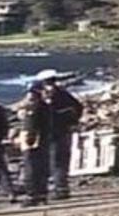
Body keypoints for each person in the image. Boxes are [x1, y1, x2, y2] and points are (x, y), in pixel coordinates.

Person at [37, 70, 83, 200]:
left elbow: (77, 108)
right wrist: (73, 122)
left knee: (56, 162)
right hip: (57, 132)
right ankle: (58, 188)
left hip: (54, 133)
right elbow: (78, 107)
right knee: (58, 162)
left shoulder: (54, 96)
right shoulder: (64, 95)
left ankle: (59, 189)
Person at [19, 84, 50, 207]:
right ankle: (41, 194)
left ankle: (32, 195)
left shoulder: (35, 109)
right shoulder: (45, 108)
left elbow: (31, 126)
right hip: (40, 139)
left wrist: (29, 139)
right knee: (40, 167)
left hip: (33, 139)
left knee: (31, 168)